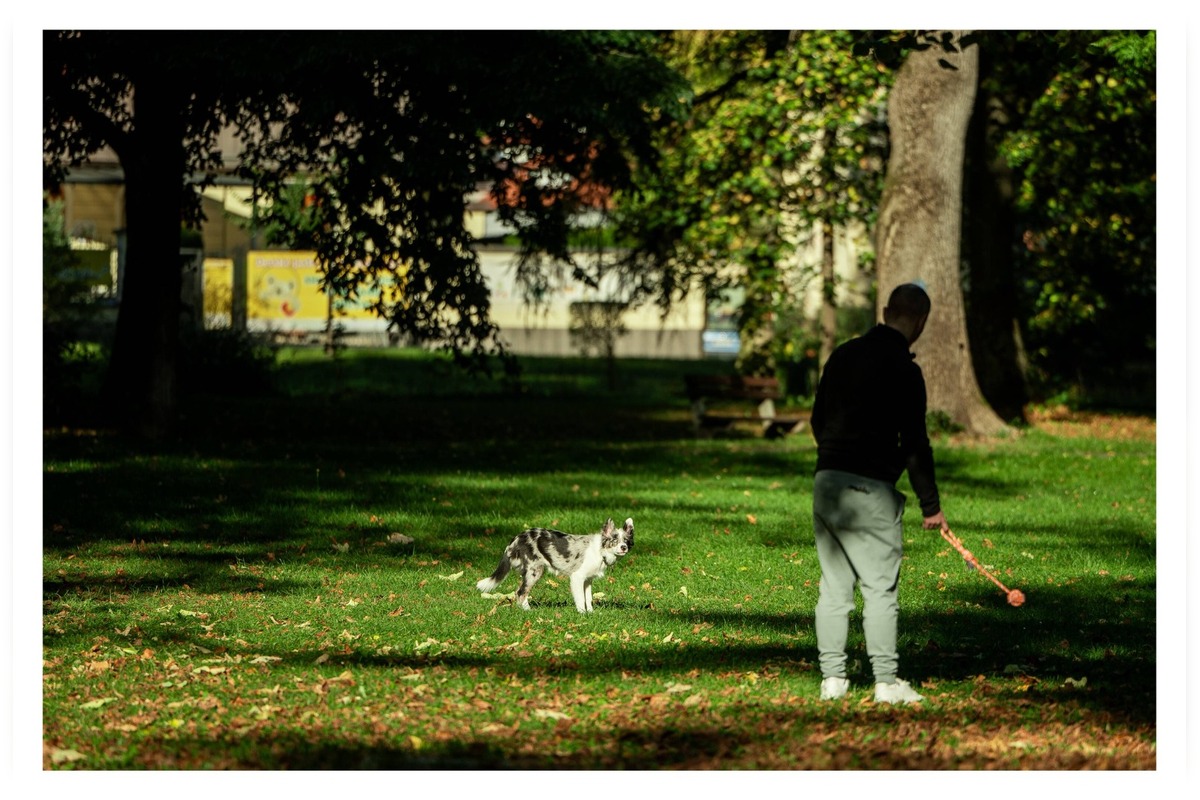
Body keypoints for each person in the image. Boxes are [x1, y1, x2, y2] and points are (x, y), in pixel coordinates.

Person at [809, 282, 949, 704]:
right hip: (871, 489)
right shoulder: (906, 371)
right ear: (921, 322)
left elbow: (818, 419)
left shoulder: (843, 355)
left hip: (827, 483)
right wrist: (932, 506)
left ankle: (832, 679)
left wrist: (835, 457)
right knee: (879, 589)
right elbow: (915, 444)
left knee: (834, 587)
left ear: (886, 310)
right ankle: (886, 682)